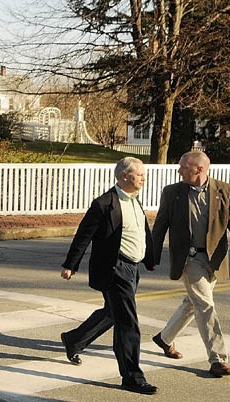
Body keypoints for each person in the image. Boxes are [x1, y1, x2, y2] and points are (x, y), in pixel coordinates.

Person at [60, 157, 157, 395]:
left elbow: (140, 231)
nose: (144, 178)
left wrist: (149, 259)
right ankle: (132, 376)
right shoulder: (104, 203)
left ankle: (75, 340)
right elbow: (84, 235)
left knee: (113, 312)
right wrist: (70, 265)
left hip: (132, 268)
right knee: (128, 322)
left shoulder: (135, 200)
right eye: (140, 174)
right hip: (115, 269)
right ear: (124, 176)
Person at [151, 150, 230, 378]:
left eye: (183, 168)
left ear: (200, 169)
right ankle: (217, 359)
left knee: (193, 302)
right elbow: (160, 226)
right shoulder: (172, 192)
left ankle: (164, 338)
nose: (179, 171)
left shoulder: (226, 191)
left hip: (214, 259)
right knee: (205, 304)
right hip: (189, 259)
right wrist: (152, 256)